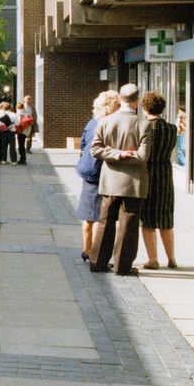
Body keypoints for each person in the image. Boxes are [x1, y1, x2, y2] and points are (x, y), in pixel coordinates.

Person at [90, 83, 151, 276]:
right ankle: (122, 266)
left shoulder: (105, 122)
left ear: (119, 100)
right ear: (138, 101)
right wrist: (127, 154)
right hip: (133, 183)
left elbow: (95, 150)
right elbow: (143, 156)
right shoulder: (143, 124)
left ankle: (97, 261)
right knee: (129, 225)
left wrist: (116, 153)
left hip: (110, 181)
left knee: (105, 222)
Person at [76, 90, 120, 264]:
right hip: (100, 171)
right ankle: (95, 253)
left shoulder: (92, 122)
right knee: (99, 217)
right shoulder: (109, 124)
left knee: (88, 215)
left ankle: (86, 249)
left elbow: (83, 144)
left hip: (87, 170)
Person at [140, 92, 178, 269]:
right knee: (166, 219)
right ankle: (171, 258)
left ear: (145, 108)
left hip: (148, 174)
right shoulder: (172, 128)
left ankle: (153, 259)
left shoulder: (144, 127)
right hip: (165, 174)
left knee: (148, 220)